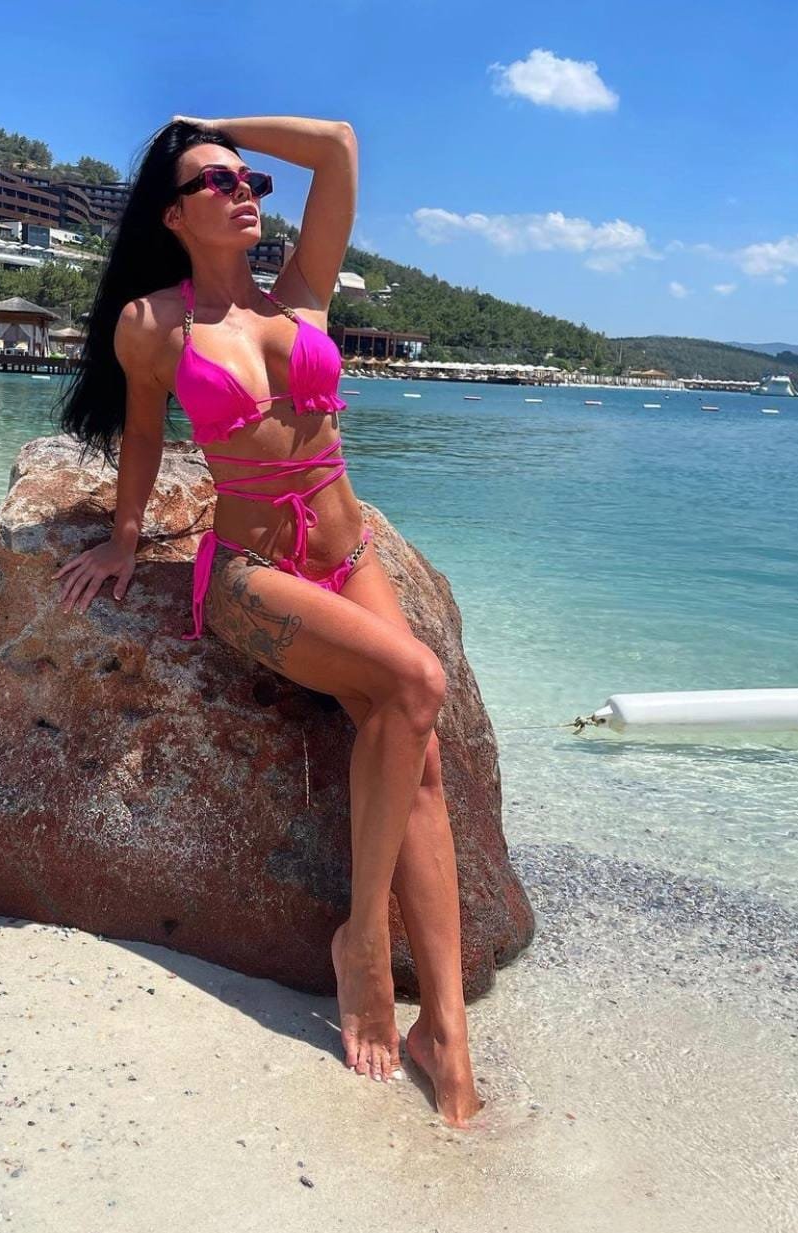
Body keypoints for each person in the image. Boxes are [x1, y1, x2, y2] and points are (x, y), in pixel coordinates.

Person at [52, 115, 483, 1127]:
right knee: (417, 681)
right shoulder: (154, 325)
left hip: (348, 557)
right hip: (252, 575)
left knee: (417, 748)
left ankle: (448, 1030)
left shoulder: (301, 293)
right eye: (217, 180)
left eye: (250, 179)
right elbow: (143, 436)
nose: (245, 189)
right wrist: (124, 540)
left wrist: (214, 126)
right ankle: (362, 945)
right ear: (172, 214)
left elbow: (336, 146)